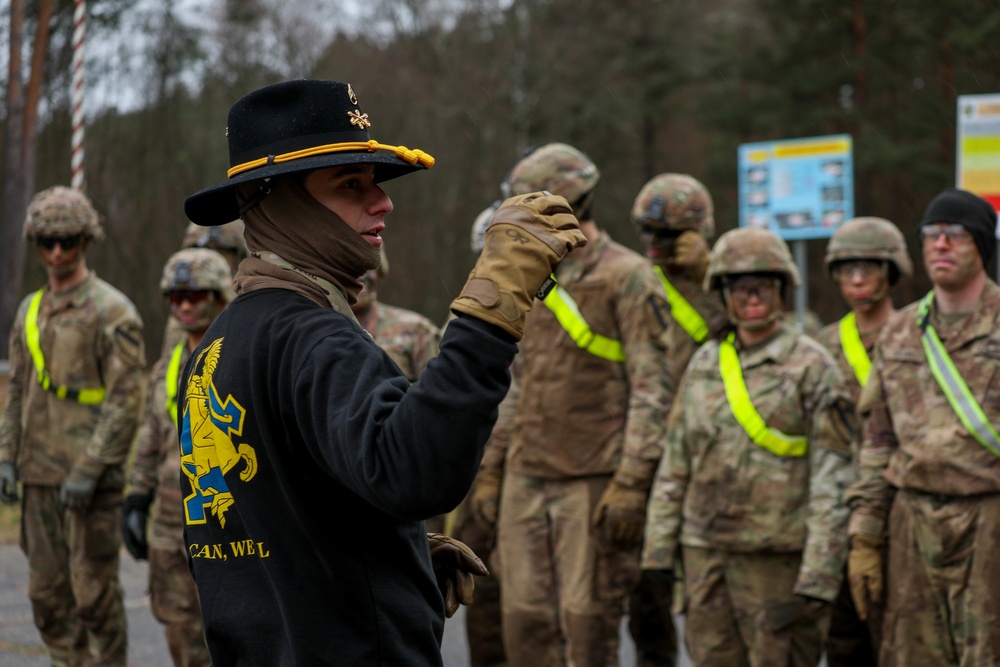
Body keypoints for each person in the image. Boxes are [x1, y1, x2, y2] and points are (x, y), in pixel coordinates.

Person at [178, 79, 586, 665]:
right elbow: (417, 472)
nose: (383, 202)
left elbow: (274, 515)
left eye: (376, 182)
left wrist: (391, 553)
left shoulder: (217, 346)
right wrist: (491, 310)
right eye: (351, 185)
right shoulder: (311, 335)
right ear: (281, 199)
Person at [482, 142, 671, 666]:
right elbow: (515, 381)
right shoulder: (527, 276)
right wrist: (494, 470)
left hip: (594, 479)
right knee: (524, 623)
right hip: (527, 476)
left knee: (587, 626)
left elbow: (652, 387)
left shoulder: (627, 277)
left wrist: (632, 483)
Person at [642, 226, 855, 667]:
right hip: (706, 557)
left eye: (764, 285)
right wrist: (658, 553)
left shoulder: (813, 366)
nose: (752, 296)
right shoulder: (705, 363)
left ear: (782, 290)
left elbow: (832, 478)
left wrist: (819, 575)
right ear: (722, 292)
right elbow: (676, 461)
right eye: (739, 286)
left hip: (777, 563)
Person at [846, 188, 1000, 667]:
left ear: (981, 245)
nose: (940, 245)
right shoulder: (900, 331)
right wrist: (866, 537)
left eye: (955, 235)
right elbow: (878, 442)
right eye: (931, 235)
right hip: (912, 523)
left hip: (990, 522)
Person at [0, 185, 145, 666]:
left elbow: (127, 397)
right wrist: (6, 457)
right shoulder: (29, 311)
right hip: (38, 478)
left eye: (68, 241)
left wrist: (91, 465)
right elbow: (17, 389)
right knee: (46, 598)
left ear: (87, 240)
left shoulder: (112, 309)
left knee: (94, 601)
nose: (57, 252)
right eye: (46, 242)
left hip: (92, 484)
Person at [627, 172, 728, 666]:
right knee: (648, 591)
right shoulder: (639, 283)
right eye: (647, 233)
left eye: (665, 236)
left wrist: (709, 276)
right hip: (654, 453)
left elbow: (749, 338)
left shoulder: (726, 282)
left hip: (712, 457)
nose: (653, 245)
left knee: (715, 598)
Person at [122, 248, 235, 667]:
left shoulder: (240, 359)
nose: (184, 306)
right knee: (179, 631)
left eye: (195, 295)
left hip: (225, 519)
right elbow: (151, 437)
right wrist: (136, 498)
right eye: (175, 297)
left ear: (221, 296)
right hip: (171, 522)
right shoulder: (167, 367)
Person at [814, 216, 912, 667]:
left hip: (900, 515)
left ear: (891, 272)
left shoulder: (916, 336)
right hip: (837, 518)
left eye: (868, 267)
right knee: (842, 644)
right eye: (847, 267)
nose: (856, 278)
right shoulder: (821, 347)